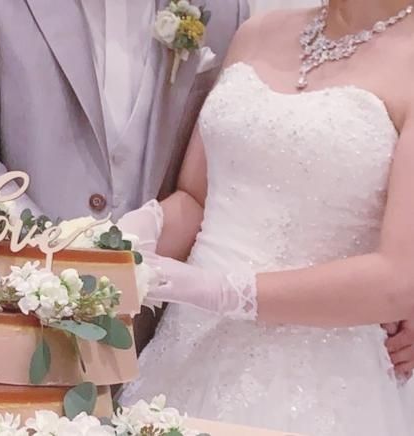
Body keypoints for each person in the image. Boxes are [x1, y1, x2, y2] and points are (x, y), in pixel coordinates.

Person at [116, 1, 414, 434]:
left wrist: (226, 292)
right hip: (185, 350)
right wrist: (131, 236)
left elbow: (398, 279)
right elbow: (198, 198)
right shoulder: (256, 33)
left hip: (317, 379)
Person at [0, 0, 248, 351]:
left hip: (164, 337)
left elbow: (220, 175)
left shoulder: (227, 7)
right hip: (18, 325)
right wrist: (58, 262)